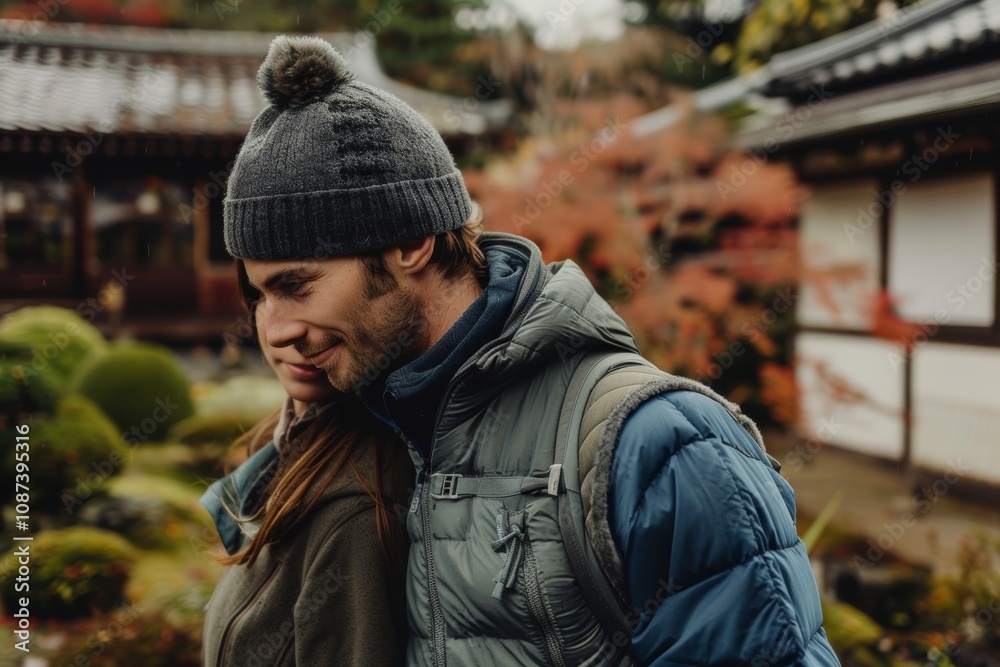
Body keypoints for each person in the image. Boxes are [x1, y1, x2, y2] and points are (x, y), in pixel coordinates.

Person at [223, 35, 841, 666]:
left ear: (410, 242)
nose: (273, 329)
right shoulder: (385, 430)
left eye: (295, 286)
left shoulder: (658, 444)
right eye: (259, 296)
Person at [199, 259, 412, 667]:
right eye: (261, 296)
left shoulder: (356, 510)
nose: (281, 332)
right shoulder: (280, 453)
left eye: (298, 288)